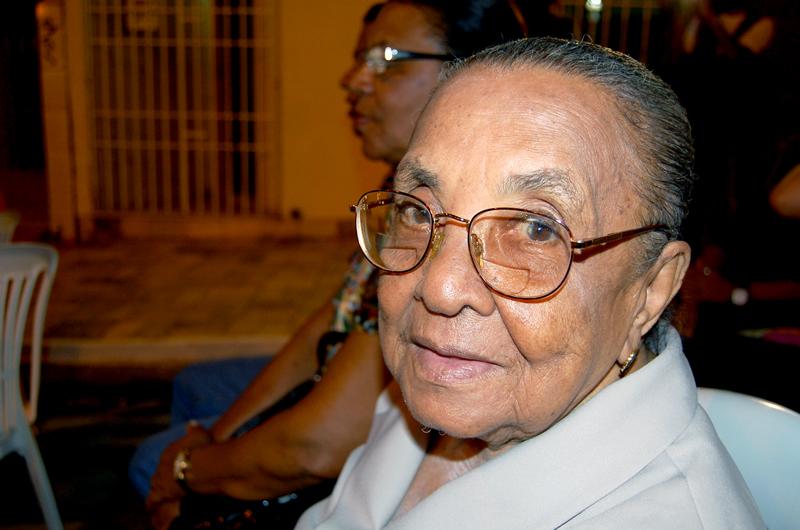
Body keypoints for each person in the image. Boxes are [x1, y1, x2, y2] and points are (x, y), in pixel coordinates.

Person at [296, 37, 765, 529]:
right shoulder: (449, 382)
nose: (440, 288)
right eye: (418, 211)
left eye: (537, 230)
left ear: (650, 290)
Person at [137, 2, 534, 528]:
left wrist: (187, 470)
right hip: (338, 385)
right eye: (361, 59)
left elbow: (319, 444)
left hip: (358, 437)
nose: (353, 80)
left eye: (386, 59)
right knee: (194, 389)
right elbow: (333, 319)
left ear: (470, 70)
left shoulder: (451, 221)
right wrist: (213, 437)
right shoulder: (398, 192)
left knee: (152, 459)